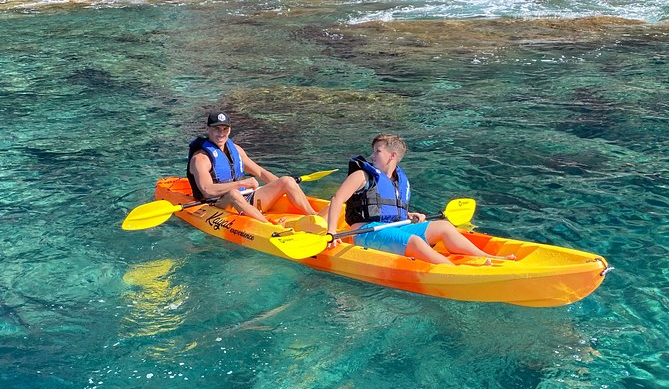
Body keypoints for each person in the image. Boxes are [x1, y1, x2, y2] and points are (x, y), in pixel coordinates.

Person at [325, 133, 514, 265]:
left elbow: (385, 208)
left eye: (377, 151)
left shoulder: (398, 180)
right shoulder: (361, 175)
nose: (372, 155)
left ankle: (489, 258)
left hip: (393, 226)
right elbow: (337, 199)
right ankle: (452, 269)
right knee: (415, 241)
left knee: (445, 227)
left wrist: (408, 215)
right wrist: (331, 232)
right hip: (364, 232)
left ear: (392, 155)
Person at [187, 110, 319, 224]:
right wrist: (241, 184)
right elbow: (207, 190)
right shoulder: (200, 159)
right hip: (218, 204)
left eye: (224, 129)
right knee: (233, 194)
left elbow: (260, 172)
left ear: (230, 130)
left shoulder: (236, 150)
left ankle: (316, 216)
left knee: (287, 180)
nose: (221, 133)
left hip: (246, 197)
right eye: (216, 129)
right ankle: (269, 226)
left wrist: (285, 187)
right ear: (208, 129)